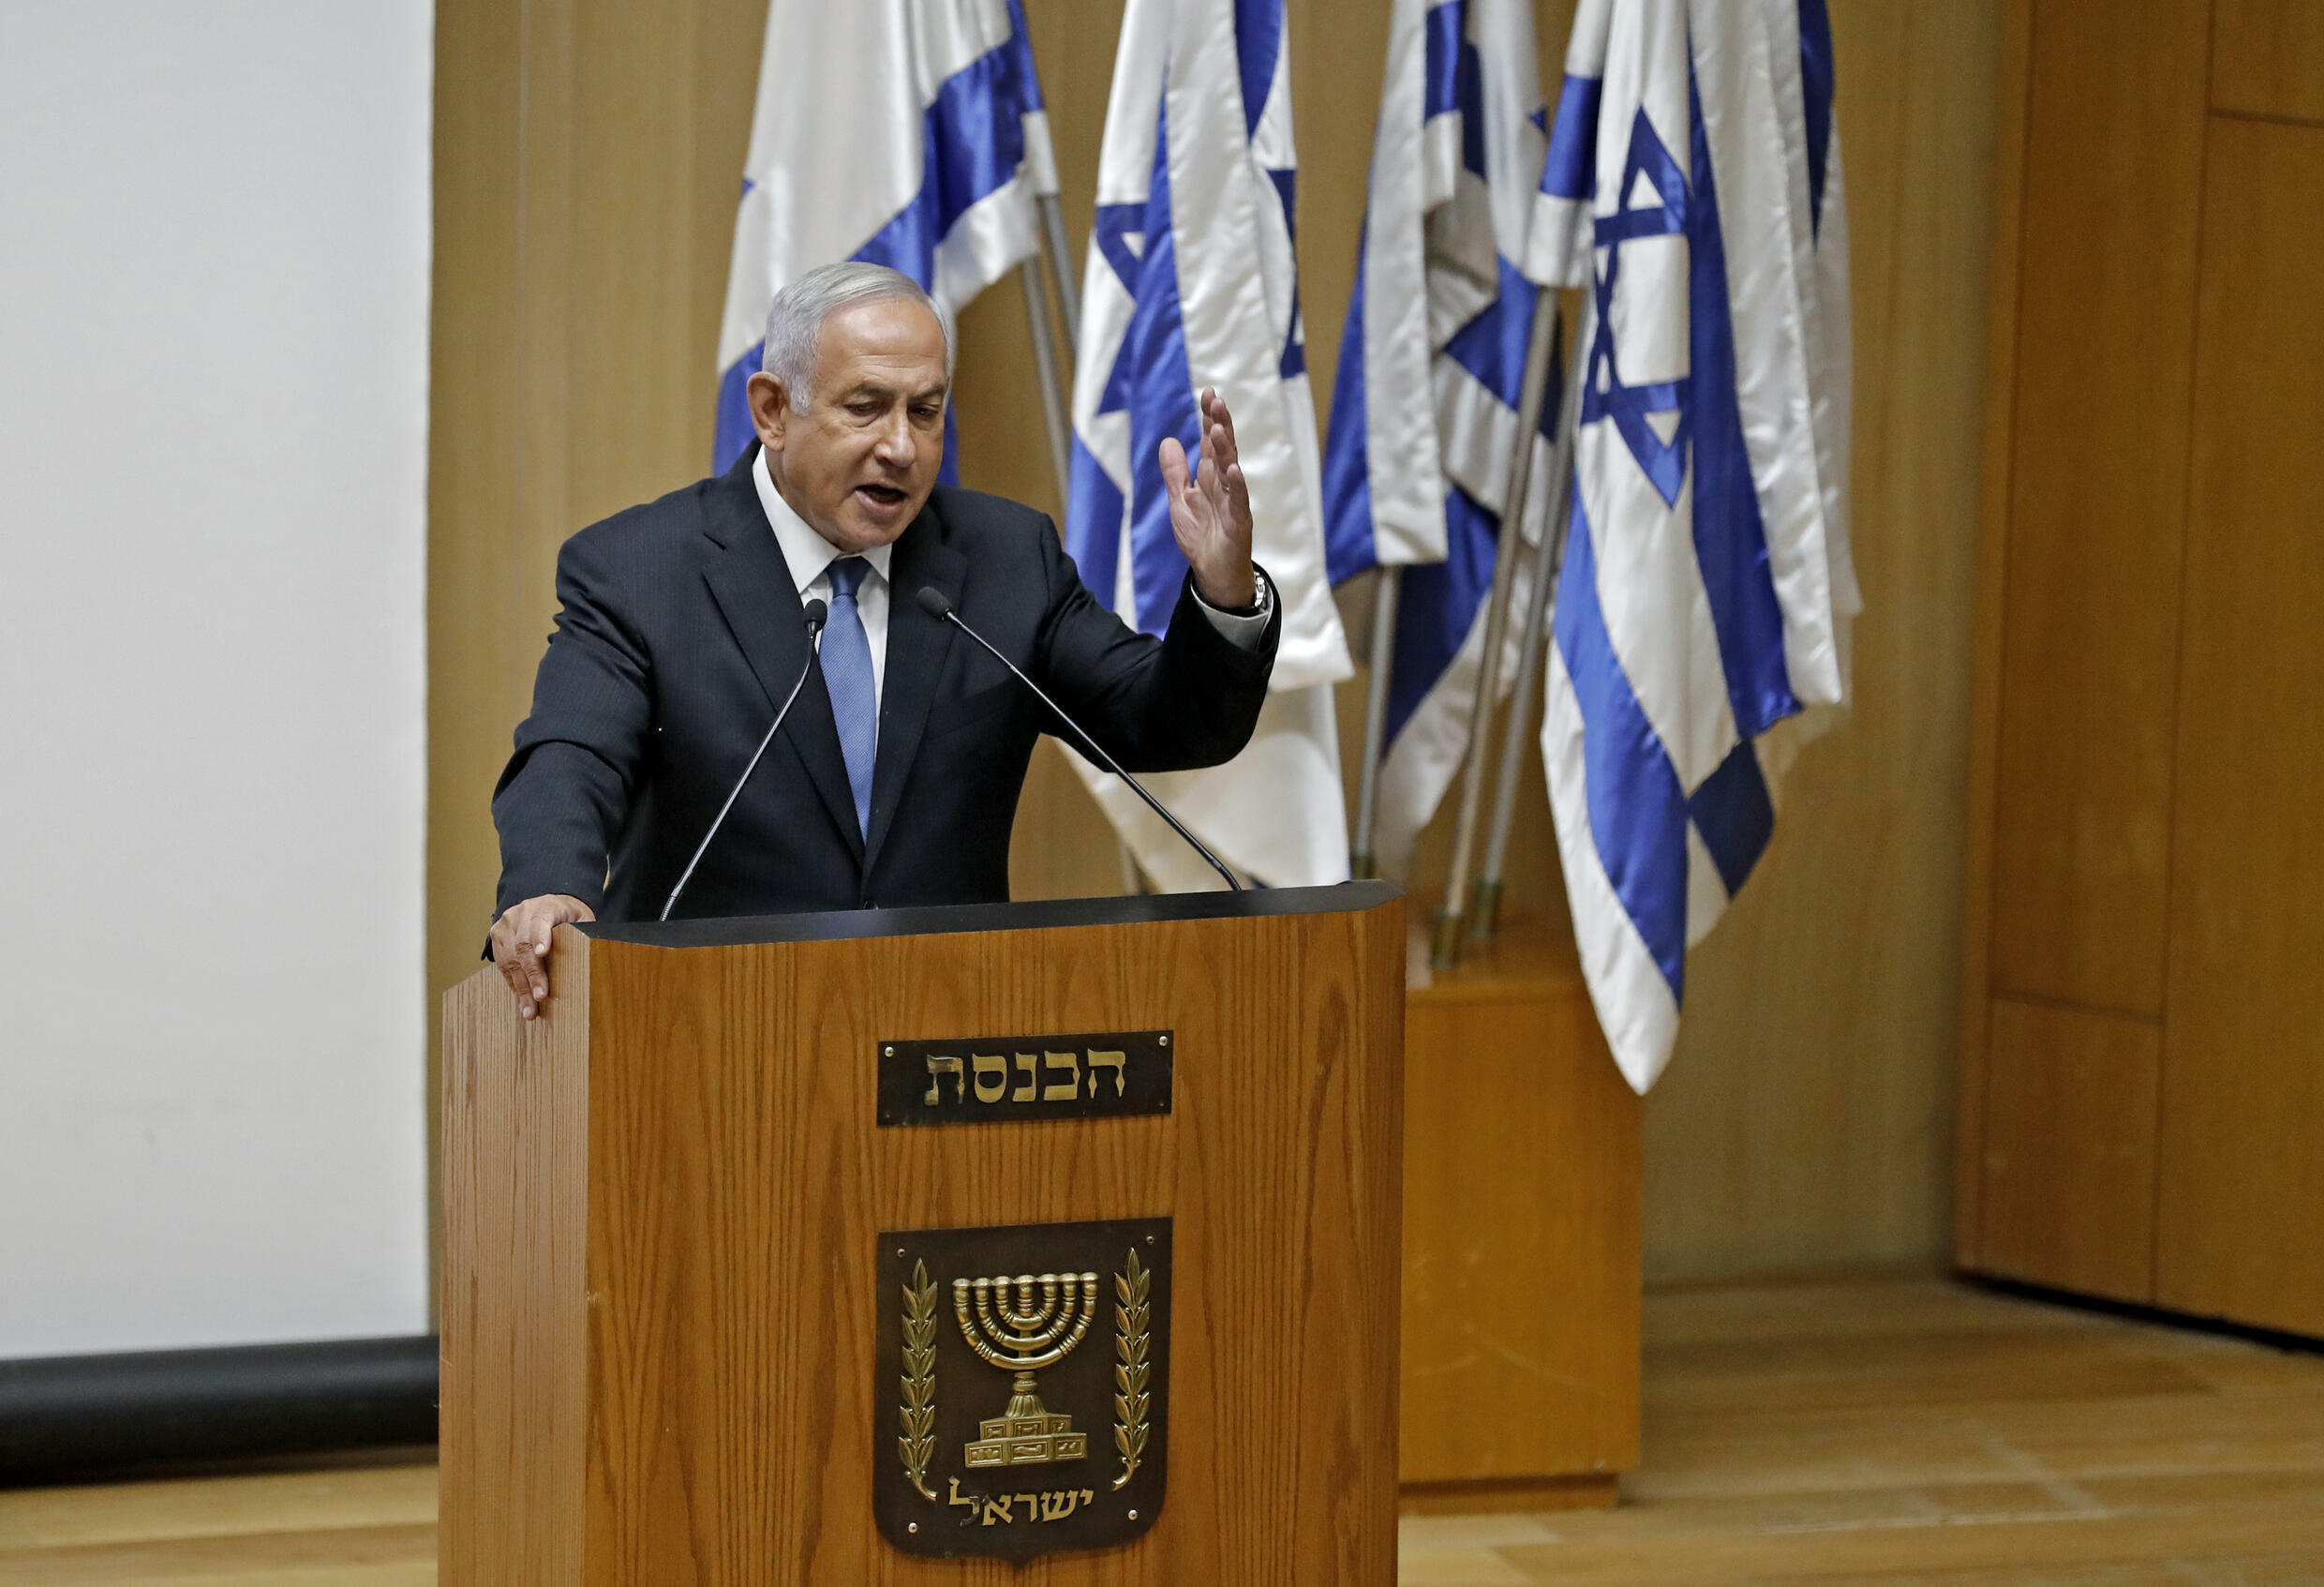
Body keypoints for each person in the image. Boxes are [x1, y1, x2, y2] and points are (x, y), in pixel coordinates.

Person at [489, 262, 1278, 1017]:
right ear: (772, 410)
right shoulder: (641, 571)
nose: (901, 447)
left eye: (925, 411)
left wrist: (1223, 592)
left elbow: (1168, 721)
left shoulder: (1005, 563)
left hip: (948, 1047)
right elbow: (570, 755)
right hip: (706, 1041)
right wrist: (550, 886)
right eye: (866, 406)